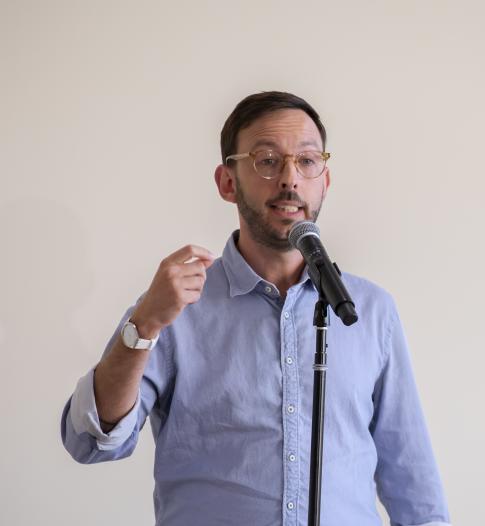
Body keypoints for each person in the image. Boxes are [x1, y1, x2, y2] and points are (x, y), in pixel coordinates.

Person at [60, 91, 451, 526]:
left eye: (306, 161)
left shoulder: (370, 309)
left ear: (325, 179)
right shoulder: (174, 307)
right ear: (228, 182)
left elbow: (413, 487)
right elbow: (91, 441)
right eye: (267, 160)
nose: (290, 178)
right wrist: (144, 324)